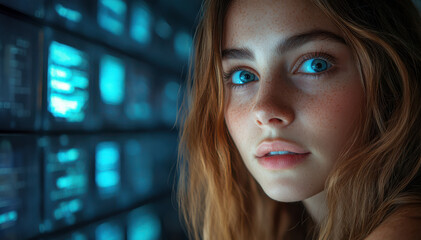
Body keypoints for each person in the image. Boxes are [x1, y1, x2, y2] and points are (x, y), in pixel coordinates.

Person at [177, 0, 421, 239]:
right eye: (243, 76)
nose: (265, 110)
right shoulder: (283, 224)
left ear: (391, 79)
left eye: (316, 65)